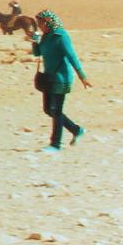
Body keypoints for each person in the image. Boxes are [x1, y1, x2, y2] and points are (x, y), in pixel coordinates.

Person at [30, 10, 91, 150]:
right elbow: (37, 53)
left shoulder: (61, 36)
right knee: (48, 109)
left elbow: (71, 56)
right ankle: (76, 130)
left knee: (56, 110)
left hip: (61, 78)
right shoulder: (46, 36)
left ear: (48, 22)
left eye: (41, 23)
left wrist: (82, 76)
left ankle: (55, 144)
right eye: (38, 23)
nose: (39, 26)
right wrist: (35, 41)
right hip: (48, 77)